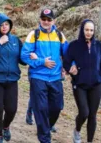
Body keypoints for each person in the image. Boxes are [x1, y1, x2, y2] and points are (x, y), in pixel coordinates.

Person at [20, 9, 69, 143]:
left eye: (49, 19)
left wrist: (68, 66)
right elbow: (24, 55)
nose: (46, 22)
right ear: (40, 20)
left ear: (54, 21)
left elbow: (68, 53)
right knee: (40, 108)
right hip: (38, 77)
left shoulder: (59, 35)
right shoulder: (33, 34)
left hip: (55, 78)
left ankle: (44, 127)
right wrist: (42, 61)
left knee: (57, 107)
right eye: (43, 19)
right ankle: (44, 138)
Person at [63, 19, 101, 143]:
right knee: (84, 112)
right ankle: (77, 130)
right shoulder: (74, 45)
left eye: (91, 30)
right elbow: (66, 62)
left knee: (92, 115)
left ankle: (89, 141)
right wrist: (71, 70)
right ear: (82, 30)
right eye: (86, 30)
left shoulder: (98, 46)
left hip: (96, 85)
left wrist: (100, 76)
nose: (89, 32)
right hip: (80, 84)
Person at [0, 13, 25, 143]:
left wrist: (32, 56)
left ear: (10, 25)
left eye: (6, 24)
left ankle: (5, 126)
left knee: (12, 109)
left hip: (12, 80)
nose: (4, 27)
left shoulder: (16, 41)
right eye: (1, 25)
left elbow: (23, 59)